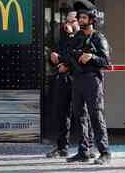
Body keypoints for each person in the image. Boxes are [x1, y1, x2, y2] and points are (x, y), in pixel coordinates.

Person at [65, 0, 111, 165]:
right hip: (77, 80)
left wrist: (91, 56)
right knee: (80, 116)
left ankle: (105, 152)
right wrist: (66, 64)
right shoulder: (77, 37)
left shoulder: (99, 38)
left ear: (92, 19)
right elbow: (70, 54)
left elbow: (106, 61)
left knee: (96, 116)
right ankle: (83, 151)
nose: (81, 20)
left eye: (84, 17)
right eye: (80, 17)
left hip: (92, 80)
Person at [46, 9, 95, 158]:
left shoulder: (85, 37)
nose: (68, 24)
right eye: (67, 21)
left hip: (79, 79)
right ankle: (62, 147)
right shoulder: (63, 36)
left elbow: (78, 56)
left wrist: (65, 61)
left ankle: (88, 147)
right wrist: (53, 56)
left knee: (83, 114)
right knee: (62, 112)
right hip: (63, 78)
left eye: (72, 21)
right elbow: (61, 54)